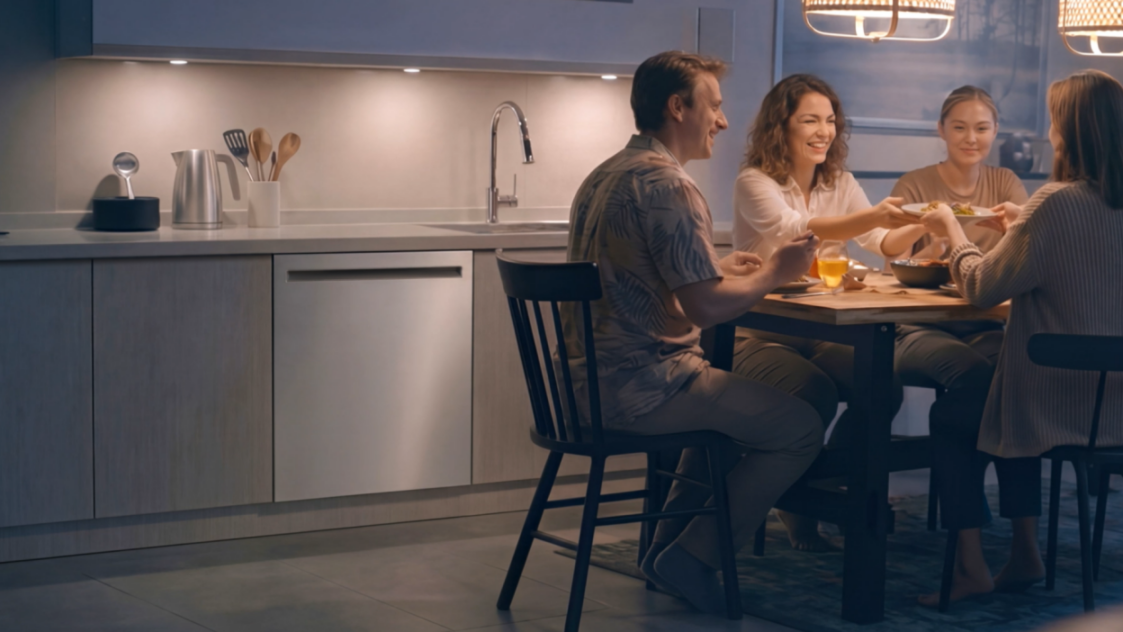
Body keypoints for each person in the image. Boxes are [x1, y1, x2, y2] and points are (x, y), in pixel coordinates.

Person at [562, 51, 824, 614]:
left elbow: (642, 278)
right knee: (800, 427)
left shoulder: (605, 174)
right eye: (715, 106)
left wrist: (716, 268)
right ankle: (692, 556)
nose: (723, 121)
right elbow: (704, 309)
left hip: (583, 385)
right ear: (678, 107)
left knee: (726, 412)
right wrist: (777, 271)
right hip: (642, 388)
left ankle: (668, 553)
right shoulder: (670, 186)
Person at [918, 69, 1123, 606]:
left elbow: (981, 287)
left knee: (961, 414)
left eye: (1054, 123)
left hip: (1057, 402)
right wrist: (1020, 229)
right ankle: (1025, 553)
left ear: (1070, 132)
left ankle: (971, 569)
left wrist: (953, 230)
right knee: (1000, 398)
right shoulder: (1063, 206)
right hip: (1115, 407)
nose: (1049, 134)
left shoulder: (1054, 202)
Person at [731, 73, 915, 550]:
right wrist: (874, 215)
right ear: (781, 125)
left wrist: (922, 222)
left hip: (819, 329)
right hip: (758, 332)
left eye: (830, 120)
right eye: (810, 120)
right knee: (812, 392)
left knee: (883, 387)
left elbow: (881, 242)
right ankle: (800, 505)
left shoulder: (840, 182)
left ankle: (828, 488)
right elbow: (799, 229)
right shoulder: (754, 182)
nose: (824, 131)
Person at [887, 86, 1029, 412]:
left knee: (1019, 372)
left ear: (995, 131)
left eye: (982, 128)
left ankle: (972, 438)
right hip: (918, 326)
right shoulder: (914, 184)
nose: (971, 138)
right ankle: (950, 433)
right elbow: (891, 273)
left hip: (984, 322)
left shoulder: (1005, 183)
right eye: (959, 127)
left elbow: (1024, 260)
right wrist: (936, 244)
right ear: (942, 129)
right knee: (974, 373)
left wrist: (1011, 233)